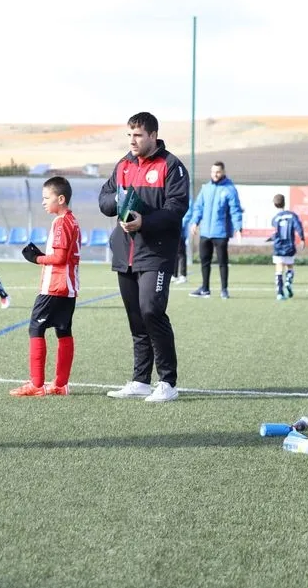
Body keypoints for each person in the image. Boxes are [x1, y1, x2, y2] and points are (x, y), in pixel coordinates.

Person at [99, 112, 189, 402]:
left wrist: (144, 222)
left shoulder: (171, 166)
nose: (132, 140)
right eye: (129, 135)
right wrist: (118, 199)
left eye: (138, 135)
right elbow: (104, 199)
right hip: (125, 253)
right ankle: (140, 380)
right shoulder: (123, 165)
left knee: (151, 311)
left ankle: (168, 383)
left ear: (153, 135)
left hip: (156, 253)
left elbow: (177, 208)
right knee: (136, 318)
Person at [10, 177, 81, 397]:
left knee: (35, 328)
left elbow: (59, 258)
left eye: (46, 197)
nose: (43, 202)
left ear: (61, 199)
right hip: (68, 286)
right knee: (63, 330)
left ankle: (37, 384)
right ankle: (60, 384)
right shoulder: (72, 220)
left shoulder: (61, 222)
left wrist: (37, 258)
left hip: (55, 286)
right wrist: (43, 256)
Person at [188, 161, 243, 299]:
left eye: (218, 172)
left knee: (222, 262)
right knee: (204, 261)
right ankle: (205, 289)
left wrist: (238, 228)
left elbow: (235, 210)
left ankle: (224, 289)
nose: (215, 174)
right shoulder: (206, 188)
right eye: (213, 172)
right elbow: (198, 207)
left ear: (223, 172)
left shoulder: (230, 189)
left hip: (221, 232)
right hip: (205, 232)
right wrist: (195, 222)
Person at [270, 193, 305, 300]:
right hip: (289, 246)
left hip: (278, 246)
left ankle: (280, 293)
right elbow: (298, 227)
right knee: (290, 266)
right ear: (284, 203)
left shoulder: (275, 218)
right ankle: (288, 282)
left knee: (279, 268)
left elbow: (275, 232)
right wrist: (302, 238)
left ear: (274, 205)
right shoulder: (292, 215)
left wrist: (272, 238)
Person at [172, 207, 191, 285]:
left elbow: (188, 214)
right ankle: (174, 275)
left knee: (181, 254)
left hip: (181, 232)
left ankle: (183, 275)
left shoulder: (188, 201)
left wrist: (179, 224)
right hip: (174, 230)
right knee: (174, 253)